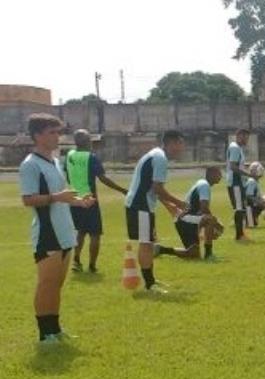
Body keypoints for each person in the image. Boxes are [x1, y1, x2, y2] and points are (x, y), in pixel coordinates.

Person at [19, 113, 96, 343]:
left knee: (58, 284)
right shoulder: (30, 165)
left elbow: (61, 197)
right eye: (51, 132)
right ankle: (45, 334)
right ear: (37, 136)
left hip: (64, 230)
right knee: (47, 284)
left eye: (58, 132)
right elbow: (28, 199)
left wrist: (79, 201)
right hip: (47, 233)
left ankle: (55, 328)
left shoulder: (54, 161)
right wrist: (57, 197)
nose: (57, 137)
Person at [125, 130, 187, 293]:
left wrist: (169, 206)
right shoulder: (160, 159)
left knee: (148, 242)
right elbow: (157, 188)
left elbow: (152, 188)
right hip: (141, 205)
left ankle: (150, 280)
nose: (181, 148)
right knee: (146, 244)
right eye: (180, 144)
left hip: (141, 204)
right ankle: (150, 285)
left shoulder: (156, 155)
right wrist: (179, 203)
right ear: (172, 143)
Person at [64, 129, 127, 273]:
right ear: (87, 142)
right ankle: (92, 265)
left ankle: (76, 261)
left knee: (80, 232)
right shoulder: (91, 157)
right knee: (95, 234)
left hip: (74, 199)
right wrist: (122, 190)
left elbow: (68, 177)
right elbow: (103, 178)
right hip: (89, 200)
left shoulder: (69, 156)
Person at [154, 167, 224, 260]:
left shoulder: (202, 183)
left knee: (193, 254)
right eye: (219, 174)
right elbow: (204, 208)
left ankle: (161, 249)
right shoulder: (204, 185)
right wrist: (216, 223)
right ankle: (209, 254)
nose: (221, 176)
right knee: (211, 219)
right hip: (186, 219)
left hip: (186, 220)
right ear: (211, 174)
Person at [226, 129, 256, 241]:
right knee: (239, 208)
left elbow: (238, 165)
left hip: (238, 182)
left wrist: (250, 166)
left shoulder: (237, 148)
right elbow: (233, 167)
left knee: (241, 208)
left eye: (247, 137)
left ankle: (241, 234)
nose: (246, 139)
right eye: (245, 137)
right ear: (238, 136)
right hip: (235, 182)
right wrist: (249, 175)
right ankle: (239, 236)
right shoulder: (235, 148)